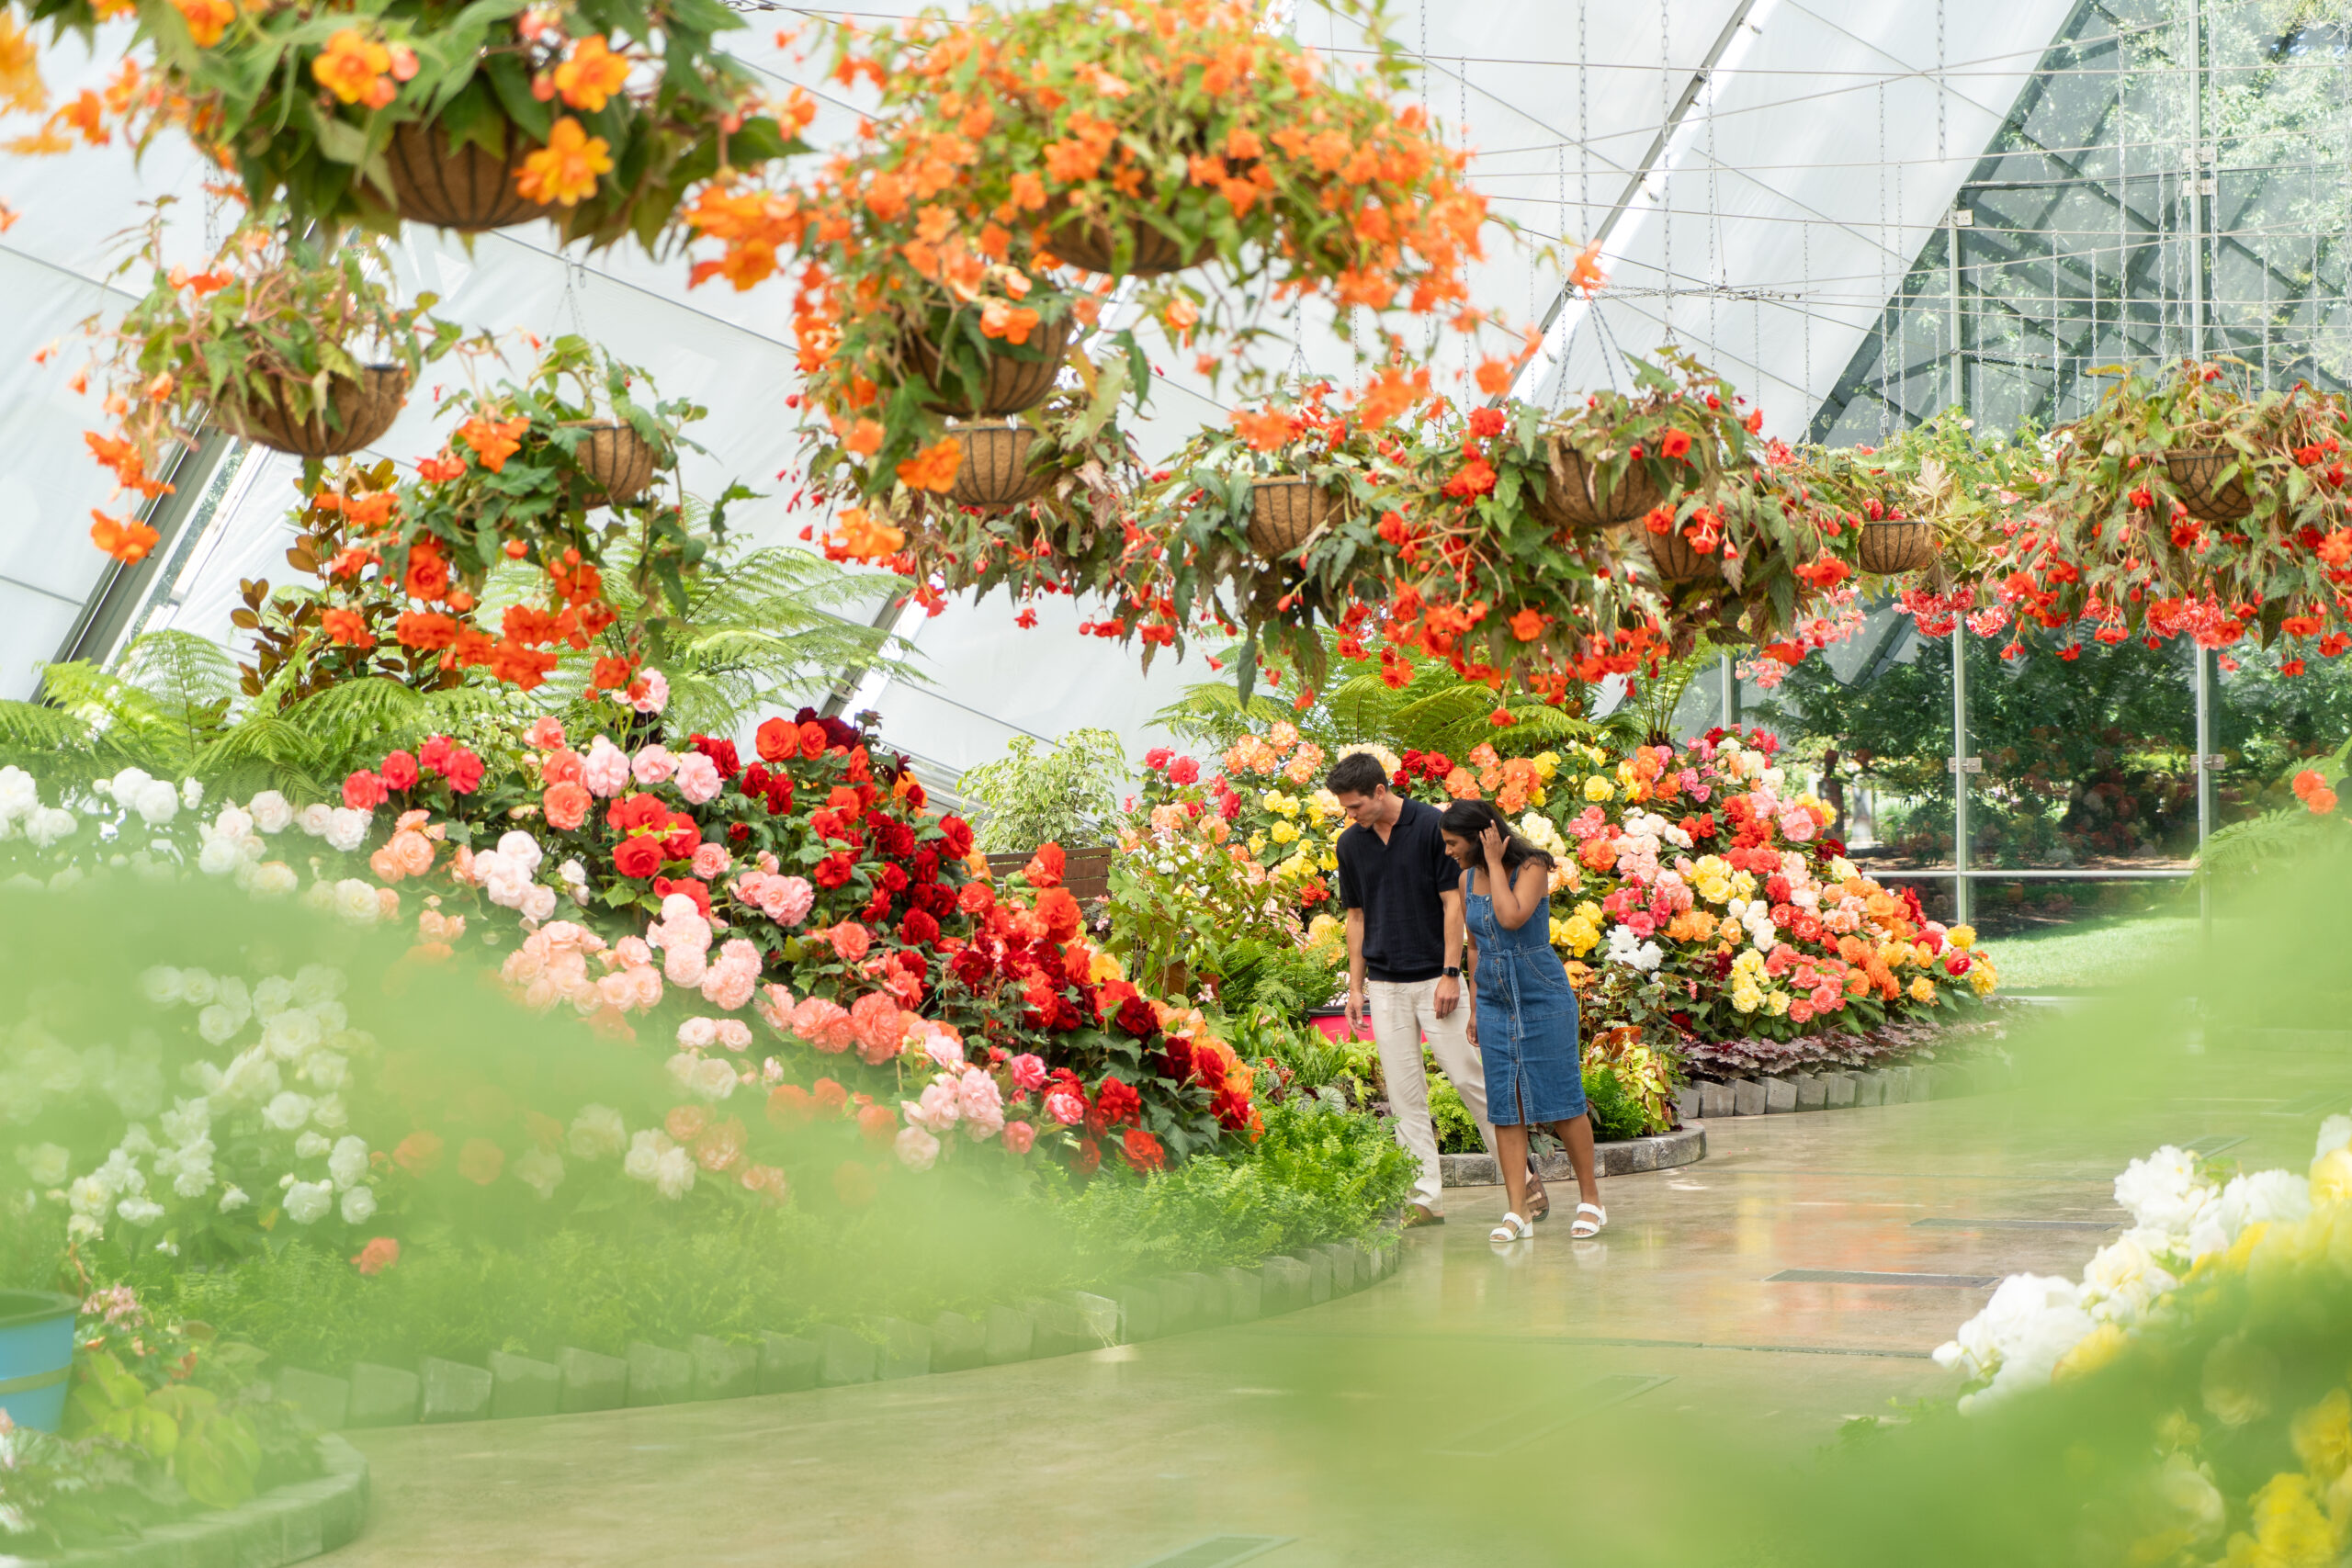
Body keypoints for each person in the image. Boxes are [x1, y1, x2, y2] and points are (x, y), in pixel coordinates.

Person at [1329, 751, 1545, 1228]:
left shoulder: (1432, 827)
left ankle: (1524, 1178)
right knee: (1406, 1096)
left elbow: (1455, 903)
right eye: (1346, 809)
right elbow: (1356, 918)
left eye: (1356, 806)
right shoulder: (1351, 844)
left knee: (1471, 1080)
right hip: (1385, 986)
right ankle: (1425, 1198)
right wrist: (1356, 987)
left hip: (1435, 979)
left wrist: (1452, 973)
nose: (1351, 815)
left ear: (1380, 792)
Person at [1439, 797, 1606, 1243]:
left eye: (1454, 843)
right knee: (1504, 1107)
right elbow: (1474, 945)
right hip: (1493, 998)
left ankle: (1591, 1200)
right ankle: (1518, 1212)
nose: (1449, 851)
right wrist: (1476, 1005)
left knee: (1563, 1099)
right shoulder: (1463, 878)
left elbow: (1511, 917)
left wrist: (1494, 863)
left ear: (1482, 837)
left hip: (1540, 992)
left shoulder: (1531, 866)